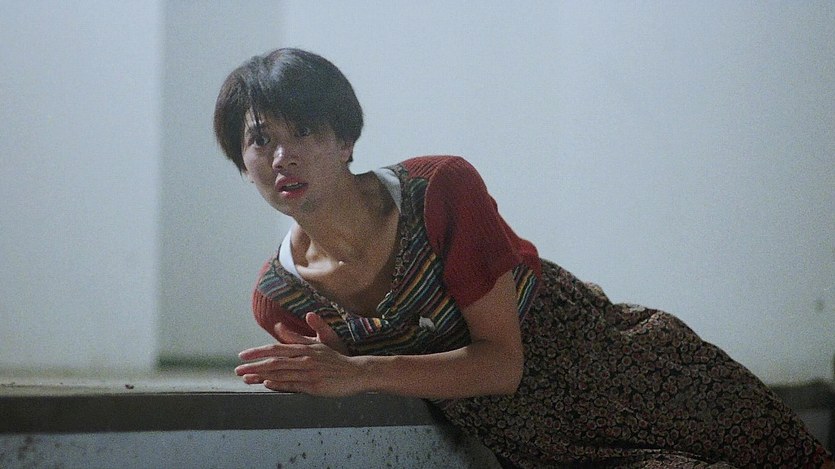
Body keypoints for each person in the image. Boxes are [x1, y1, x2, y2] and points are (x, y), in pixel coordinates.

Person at [215, 48, 832, 468]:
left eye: (304, 132)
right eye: (261, 140)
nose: (282, 157)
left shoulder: (439, 189)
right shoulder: (281, 299)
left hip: (626, 370)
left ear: (346, 138)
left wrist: (358, 371)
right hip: (542, 443)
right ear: (242, 164)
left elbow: (501, 363)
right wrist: (341, 371)